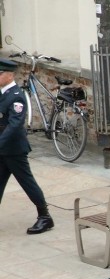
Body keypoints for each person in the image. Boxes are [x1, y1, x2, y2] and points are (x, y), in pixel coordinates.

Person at [0, 58, 54, 234]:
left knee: (27, 183)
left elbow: (14, 126)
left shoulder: (16, 97)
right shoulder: (2, 94)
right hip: (2, 150)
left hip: (14, 150)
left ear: (9, 75)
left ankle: (45, 217)